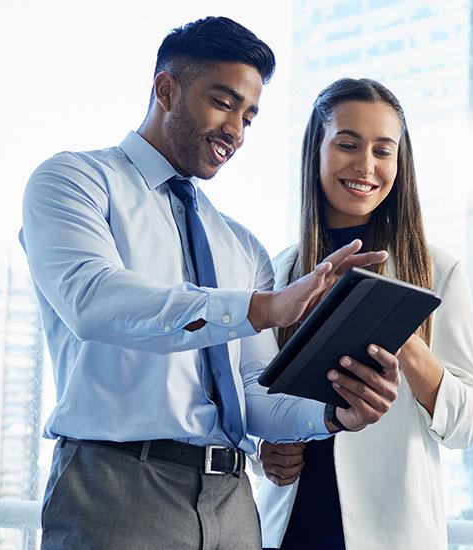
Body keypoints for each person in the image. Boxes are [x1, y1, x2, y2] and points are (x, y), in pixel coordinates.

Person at [20, 18, 403, 550]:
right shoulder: (77, 182)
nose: (236, 131)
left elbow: (252, 392)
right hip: (120, 486)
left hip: (232, 499)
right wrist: (262, 308)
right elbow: (94, 302)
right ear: (166, 89)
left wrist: (336, 414)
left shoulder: (241, 246)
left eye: (249, 116)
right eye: (223, 103)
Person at [254, 78, 473, 550]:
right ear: (315, 152)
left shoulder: (437, 271)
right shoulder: (277, 275)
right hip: (290, 529)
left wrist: (405, 339)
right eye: (347, 145)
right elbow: (255, 401)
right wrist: (266, 452)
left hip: (393, 532)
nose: (366, 166)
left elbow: (471, 424)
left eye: (384, 151)